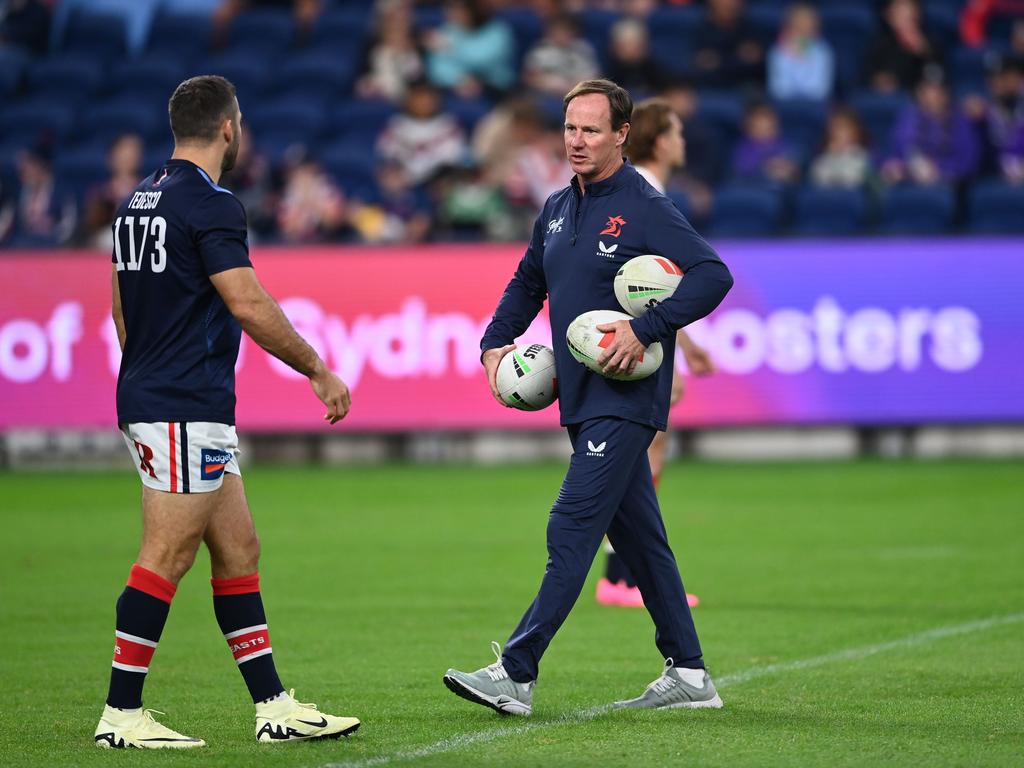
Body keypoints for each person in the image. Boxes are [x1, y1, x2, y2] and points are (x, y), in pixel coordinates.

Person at [443, 79, 733, 715]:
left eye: (592, 130)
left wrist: (646, 327)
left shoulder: (644, 204)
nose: (577, 141)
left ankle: (516, 671)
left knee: (571, 523)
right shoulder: (554, 207)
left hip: (625, 401)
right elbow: (527, 282)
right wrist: (494, 344)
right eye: (571, 128)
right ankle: (689, 674)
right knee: (642, 544)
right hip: (579, 399)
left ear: (622, 134)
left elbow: (713, 274)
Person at [94, 75, 360, 749]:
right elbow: (247, 302)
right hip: (185, 404)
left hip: (164, 397)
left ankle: (273, 706)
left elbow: (122, 308)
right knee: (166, 553)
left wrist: (149, 374)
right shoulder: (212, 204)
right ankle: (121, 713)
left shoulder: (138, 202)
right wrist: (316, 369)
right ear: (227, 128)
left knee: (238, 549)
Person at [595, 98, 717, 610]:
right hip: (638, 343)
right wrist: (675, 347)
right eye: (677, 130)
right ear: (659, 139)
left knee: (643, 453)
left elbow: (648, 287)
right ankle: (624, 578)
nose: (682, 140)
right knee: (643, 452)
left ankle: (624, 577)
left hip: (641, 337)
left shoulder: (637, 186)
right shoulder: (644, 190)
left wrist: (682, 345)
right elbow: (647, 287)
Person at [767, 3, 834, 102]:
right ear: (789, 28)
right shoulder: (777, 52)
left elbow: (820, 89)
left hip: (814, 103)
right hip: (784, 103)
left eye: (807, 27)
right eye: (798, 26)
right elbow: (778, 88)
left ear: (815, 29)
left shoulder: (823, 52)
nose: (803, 32)